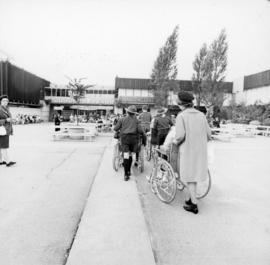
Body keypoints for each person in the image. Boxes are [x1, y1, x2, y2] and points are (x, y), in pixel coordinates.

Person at [174, 91, 211, 214]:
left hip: (188, 149)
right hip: (200, 150)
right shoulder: (201, 115)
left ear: (180, 103)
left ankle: (194, 205)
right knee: (193, 176)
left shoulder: (181, 116)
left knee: (189, 177)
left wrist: (175, 142)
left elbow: (180, 135)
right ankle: (190, 199)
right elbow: (209, 134)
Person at [114, 105, 144, 181]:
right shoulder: (137, 120)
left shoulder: (122, 119)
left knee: (126, 155)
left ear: (127, 112)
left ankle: (126, 174)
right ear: (134, 113)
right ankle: (129, 171)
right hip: (134, 140)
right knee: (131, 155)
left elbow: (115, 128)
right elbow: (140, 131)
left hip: (125, 139)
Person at [0, 95, 16, 167]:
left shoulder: (6, 109)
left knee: (1, 146)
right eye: (4, 100)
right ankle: (8, 162)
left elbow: (9, 119)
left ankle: (0, 161)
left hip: (5, 130)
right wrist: (6, 120)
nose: (5, 102)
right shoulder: (0, 109)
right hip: (3, 131)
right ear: (0, 101)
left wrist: (12, 120)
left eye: (7, 101)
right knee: (4, 147)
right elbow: (5, 120)